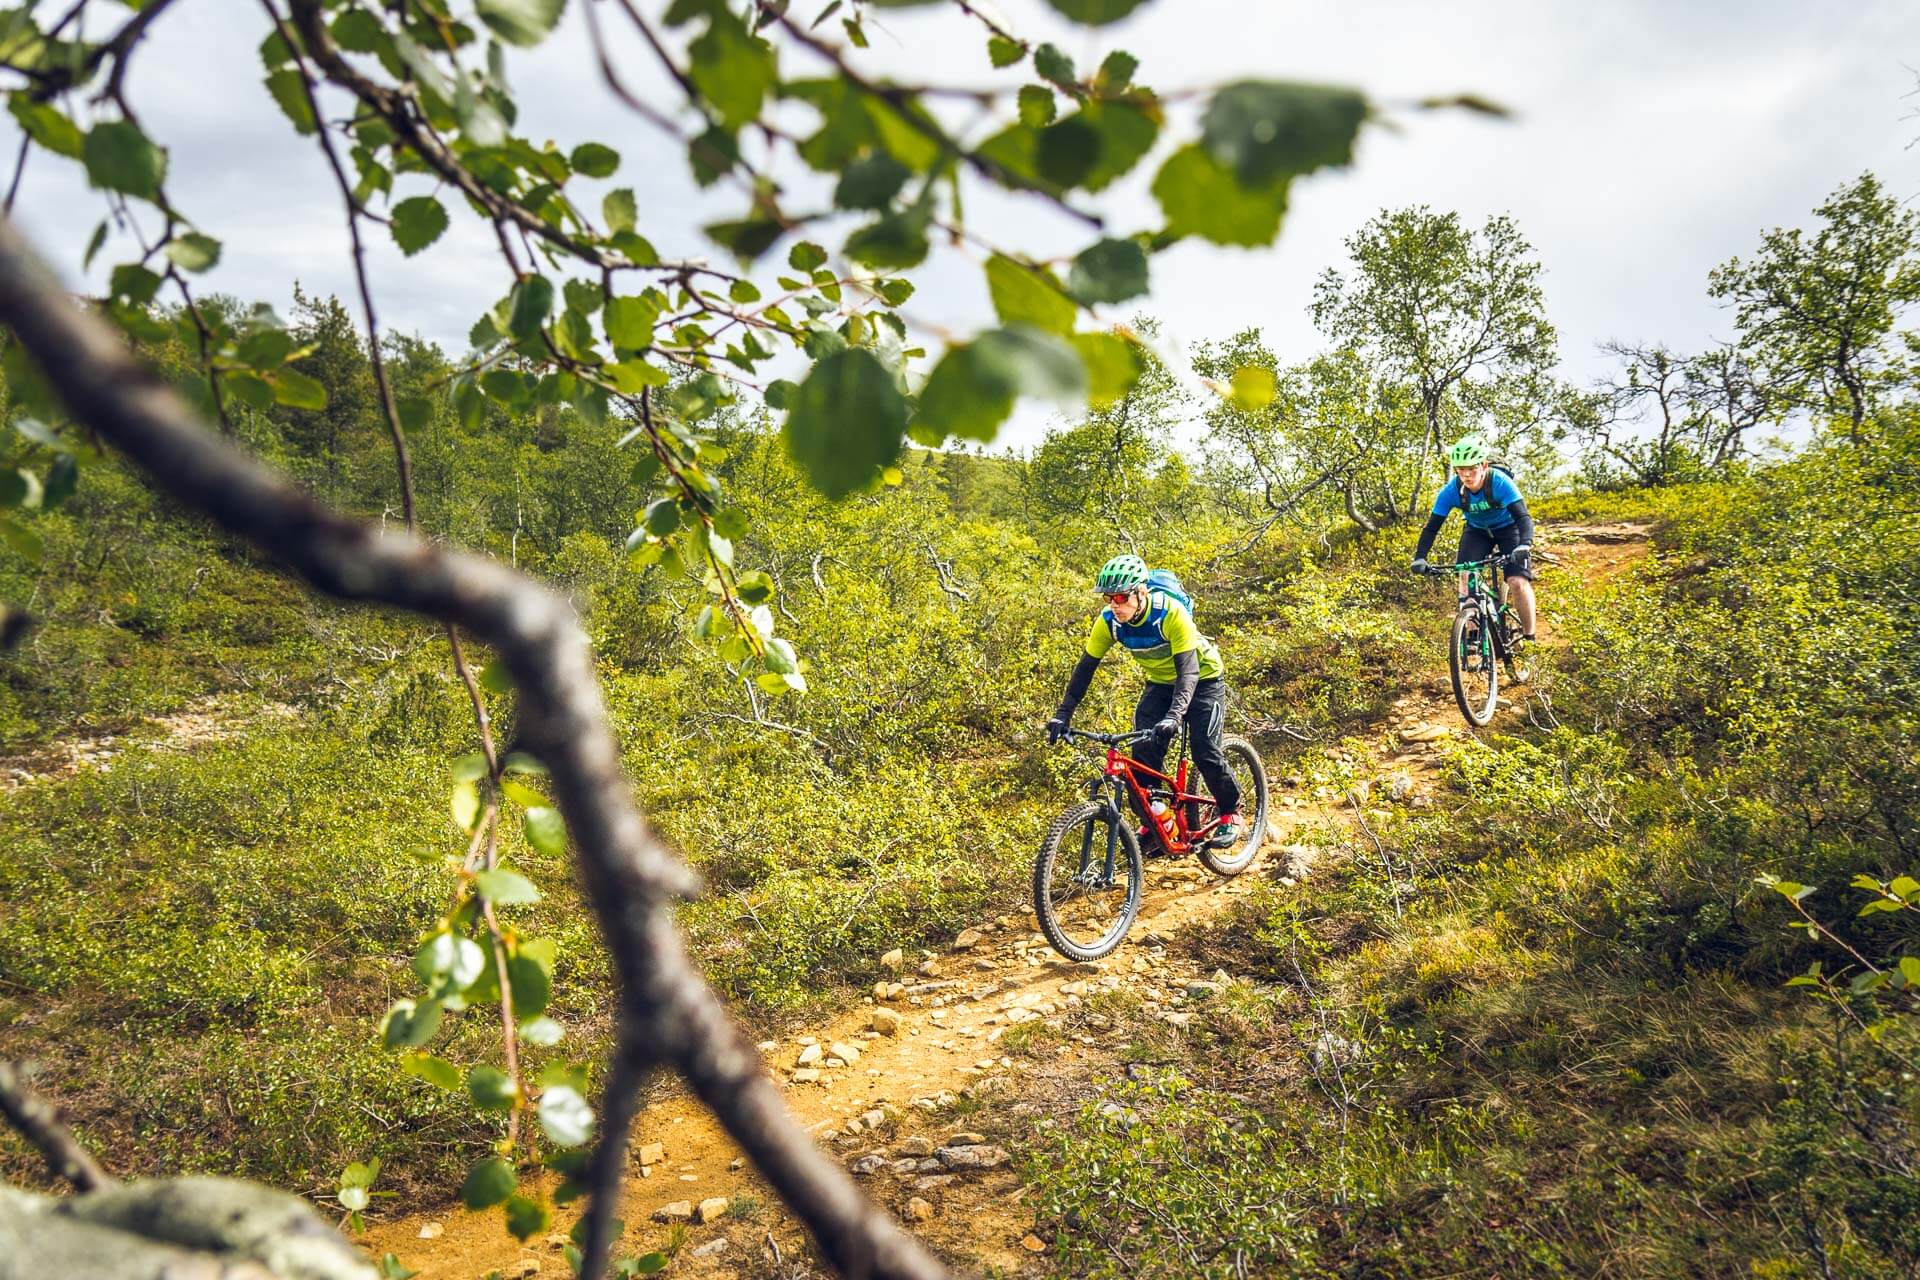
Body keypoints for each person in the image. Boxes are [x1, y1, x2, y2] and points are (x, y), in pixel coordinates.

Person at [1044, 554, 1241, 848]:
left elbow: (1188, 671)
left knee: (1205, 751)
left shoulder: (1170, 613)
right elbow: (1085, 668)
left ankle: (1230, 813)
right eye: (1110, 598)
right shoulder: (1110, 622)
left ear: (1142, 592)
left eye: (1122, 597)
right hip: (1160, 684)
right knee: (1142, 758)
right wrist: (1063, 714)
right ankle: (1158, 823)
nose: (1115, 604)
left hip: (1203, 681)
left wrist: (1175, 715)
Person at [1411, 435, 1538, 644]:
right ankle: (1473, 632)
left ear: (1484, 465)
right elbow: (1432, 528)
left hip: (1509, 529)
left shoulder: (1499, 482)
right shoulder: (1451, 491)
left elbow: (1523, 517)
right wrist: (1420, 557)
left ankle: (1530, 636)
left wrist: (1525, 544)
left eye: (1471, 469)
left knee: (1517, 581)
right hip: (1477, 531)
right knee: (1466, 575)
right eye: (1461, 470)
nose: (1467, 475)